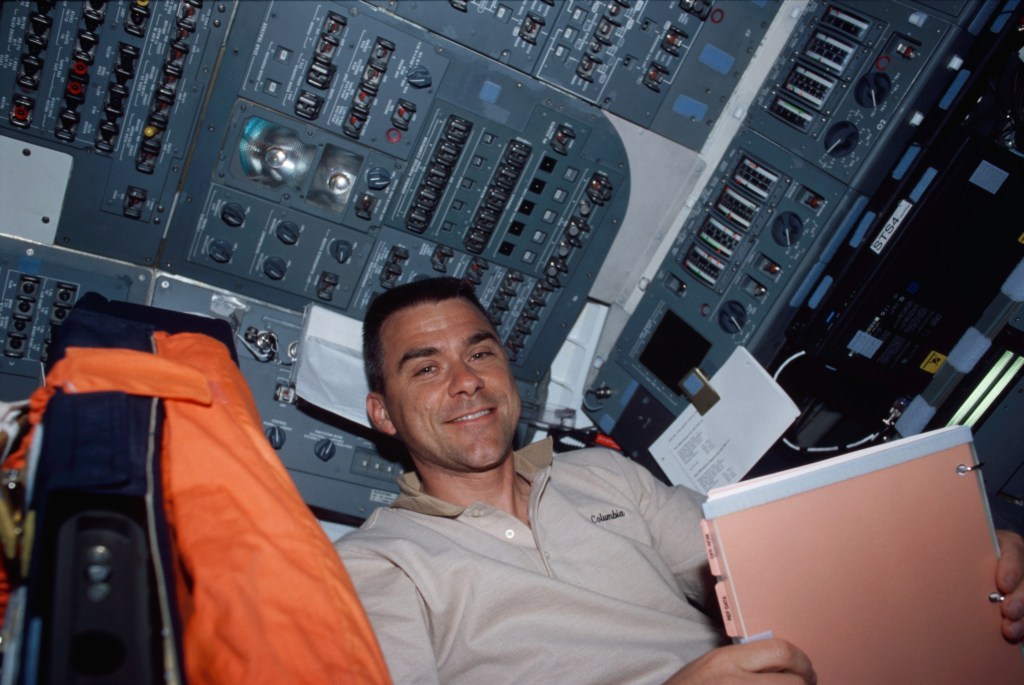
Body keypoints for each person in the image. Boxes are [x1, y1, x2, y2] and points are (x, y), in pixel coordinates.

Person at [336, 276, 1024, 684]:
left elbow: (769, 567)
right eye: (425, 367)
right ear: (383, 413)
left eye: (480, 351)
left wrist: (960, 565)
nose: (465, 381)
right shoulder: (377, 563)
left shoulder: (601, 475)